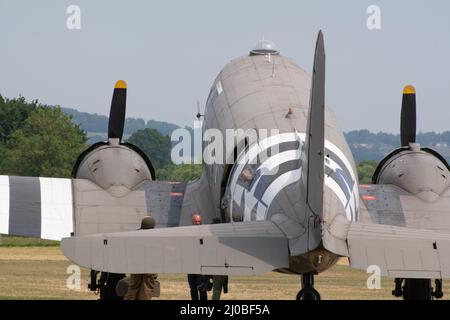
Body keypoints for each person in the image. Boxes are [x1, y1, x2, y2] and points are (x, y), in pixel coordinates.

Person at [124, 215, 159, 300]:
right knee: (146, 289)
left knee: (133, 287)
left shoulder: (135, 235)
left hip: (136, 265)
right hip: (150, 266)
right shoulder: (155, 237)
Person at [187, 213, 208, 300]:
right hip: (191, 264)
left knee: (202, 287)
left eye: (199, 221)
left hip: (201, 265)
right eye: (195, 221)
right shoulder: (188, 233)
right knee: (192, 288)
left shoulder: (204, 233)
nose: (197, 223)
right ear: (192, 222)